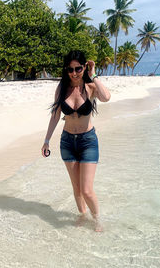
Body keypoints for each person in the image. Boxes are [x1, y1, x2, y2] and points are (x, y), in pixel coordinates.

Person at [41, 50, 111, 232]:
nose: (74, 73)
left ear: (84, 67)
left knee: (87, 190)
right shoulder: (62, 88)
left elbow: (106, 97)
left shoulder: (90, 88)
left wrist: (92, 75)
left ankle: (97, 220)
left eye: (78, 69)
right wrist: (47, 140)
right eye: (70, 69)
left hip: (88, 141)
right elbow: (55, 115)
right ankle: (82, 215)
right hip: (67, 142)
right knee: (77, 188)